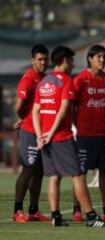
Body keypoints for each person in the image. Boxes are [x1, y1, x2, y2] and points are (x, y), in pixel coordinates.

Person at [32, 46, 105, 227]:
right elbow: (63, 110)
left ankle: (56, 217)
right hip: (60, 137)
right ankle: (91, 217)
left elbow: (35, 111)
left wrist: (40, 136)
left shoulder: (44, 82)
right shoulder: (67, 81)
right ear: (66, 61)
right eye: (71, 60)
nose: (73, 64)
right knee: (78, 175)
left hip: (44, 138)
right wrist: (51, 133)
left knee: (54, 177)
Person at [71, 45, 105, 222]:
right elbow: (72, 107)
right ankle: (77, 210)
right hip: (85, 135)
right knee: (81, 173)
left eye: (104, 57)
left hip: (104, 134)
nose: (102, 60)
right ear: (90, 58)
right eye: (99, 57)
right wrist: (78, 124)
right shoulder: (80, 79)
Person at [13, 44, 50, 223]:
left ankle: (33, 211)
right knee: (28, 169)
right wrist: (25, 119)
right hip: (29, 131)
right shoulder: (28, 78)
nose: (43, 62)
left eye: (45, 59)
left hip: (42, 132)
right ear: (33, 60)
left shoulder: (45, 79)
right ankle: (17, 210)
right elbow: (19, 106)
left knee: (39, 172)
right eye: (40, 59)